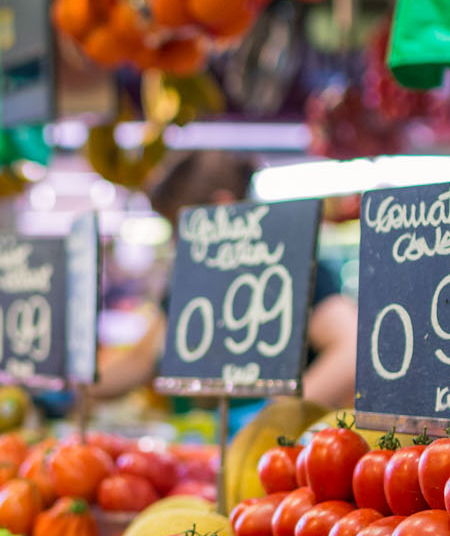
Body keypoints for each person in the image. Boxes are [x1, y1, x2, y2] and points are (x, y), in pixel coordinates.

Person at [86, 151, 360, 408]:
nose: (175, 242)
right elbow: (140, 360)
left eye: (178, 227)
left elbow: (350, 349)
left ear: (221, 206)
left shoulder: (292, 264)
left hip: (285, 451)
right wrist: (73, 388)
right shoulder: (191, 281)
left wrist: (276, 418)